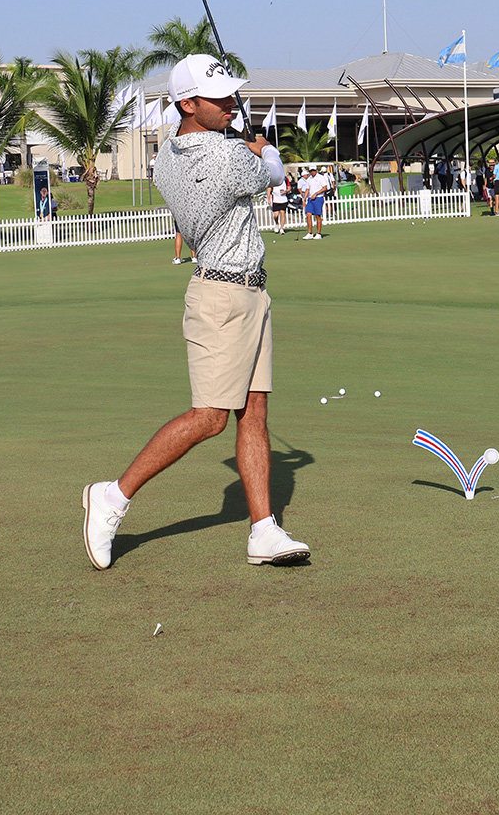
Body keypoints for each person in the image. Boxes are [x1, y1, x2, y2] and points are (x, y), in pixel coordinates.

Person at [82, 54, 308, 569]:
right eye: (219, 97)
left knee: (254, 412)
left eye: (231, 94)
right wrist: (263, 147)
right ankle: (112, 497)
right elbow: (274, 173)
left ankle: (263, 530)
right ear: (187, 104)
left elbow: (213, 152)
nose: (231, 102)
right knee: (209, 418)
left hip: (248, 293)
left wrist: (239, 141)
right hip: (222, 298)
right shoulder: (227, 158)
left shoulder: (167, 157)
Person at [303, 166, 327, 239]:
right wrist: (304, 199)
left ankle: (318, 233)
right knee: (308, 214)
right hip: (310, 199)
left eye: (313, 170)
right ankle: (310, 233)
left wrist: (316, 194)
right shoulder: (309, 179)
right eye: (311, 171)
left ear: (316, 170)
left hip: (318, 198)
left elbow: (325, 188)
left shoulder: (321, 177)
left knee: (317, 215)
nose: (312, 172)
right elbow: (307, 189)